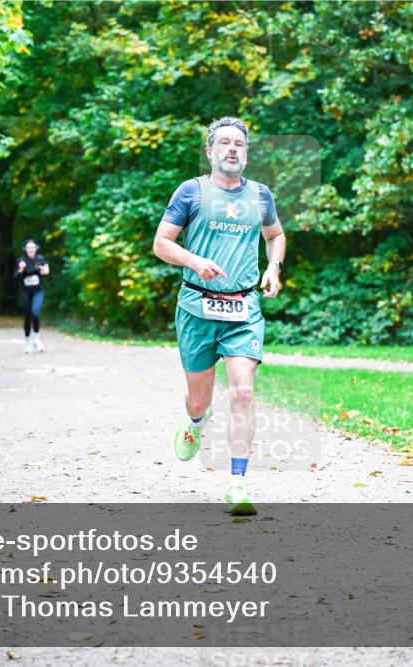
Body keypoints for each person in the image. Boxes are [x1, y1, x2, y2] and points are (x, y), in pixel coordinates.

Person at [152, 116, 286, 516]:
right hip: (196, 306)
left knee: (243, 391)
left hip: (244, 308)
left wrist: (273, 267)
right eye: (224, 143)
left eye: (239, 144)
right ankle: (195, 423)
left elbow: (275, 235)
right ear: (210, 151)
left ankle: (238, 483)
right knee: (200, 398)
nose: (232, 149)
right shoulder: (191, 192)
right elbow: (162, 243)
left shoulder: (261, 196)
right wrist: (195, 262)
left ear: (245, 153)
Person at [15, 239, 49, 353]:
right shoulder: (21, 261)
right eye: (28, 247)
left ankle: (37, 340)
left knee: (36, 311)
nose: (31, 249)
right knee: (28, 316)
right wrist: (21, 269)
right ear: (25, 249)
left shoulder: (40, 259)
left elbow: (47, 272)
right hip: (26, 292)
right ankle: (27, 342)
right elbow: (15, 276)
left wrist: (43, 270)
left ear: (36, 248)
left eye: (33, 247)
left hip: (38, 291)